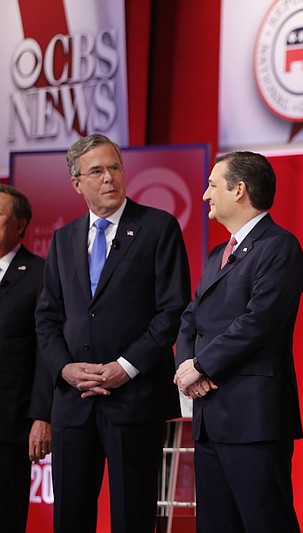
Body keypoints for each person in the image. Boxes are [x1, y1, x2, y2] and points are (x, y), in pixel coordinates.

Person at [35, 134, 191, 533]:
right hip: (73, 402)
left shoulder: (158, 227)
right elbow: (48, 318)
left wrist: (127, 366)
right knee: (70, 516)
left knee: (132, 515)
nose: (109, 178)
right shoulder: (63, 238)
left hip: (134, 400)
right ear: (77, 183)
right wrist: (65, 369)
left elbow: (172, 310)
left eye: (115, 168)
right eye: (97, 171)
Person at [174, 151, 303, 533]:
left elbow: (259, 321)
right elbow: (190, 318)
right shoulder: (219, 253)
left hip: (254, 419)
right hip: (210, 416)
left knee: (265, 521)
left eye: (213, 185)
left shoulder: (279, 247)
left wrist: (201, 366)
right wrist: (187, 368)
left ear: (239, 190)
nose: (204, 195)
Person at [0, 184, 52, 533]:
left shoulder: (40, 274)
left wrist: (42, 416)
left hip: (9, 423)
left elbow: (46, 351)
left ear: (20, 225)